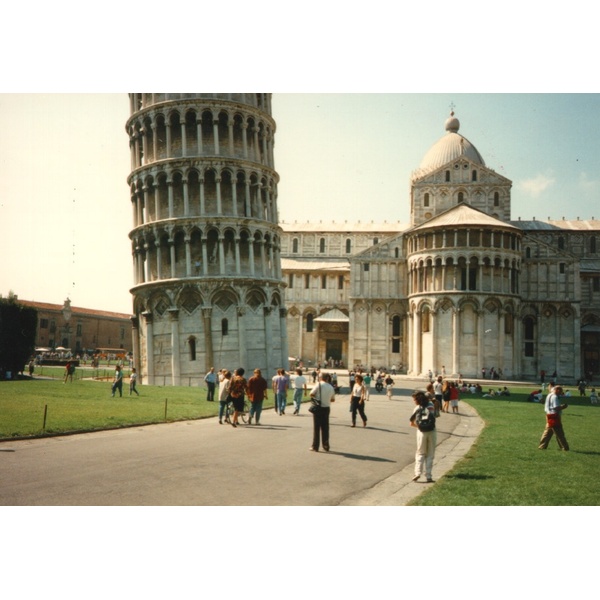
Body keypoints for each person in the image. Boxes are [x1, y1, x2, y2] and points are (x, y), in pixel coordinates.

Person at [409, 390, 436, 483]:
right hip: (431, 431)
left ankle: (417, 473)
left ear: (417, 400)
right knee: (430, 454)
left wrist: (420, 426)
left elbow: (411, 423)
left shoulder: (417, 408)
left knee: (420, 453)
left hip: (421, 432)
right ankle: (428, 475)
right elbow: (435, 417)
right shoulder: (431, 406)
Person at [309, 372, 336, 452]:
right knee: (325, 428)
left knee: (316, 428)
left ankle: (315, 446)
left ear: (320, 378)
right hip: (326, 408)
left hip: (318, 408)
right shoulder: (331, 387)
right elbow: (333, 399)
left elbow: (311, 394)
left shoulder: (319, 384)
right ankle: (326, 445)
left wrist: (318, 397)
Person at [538, 384, 569, 450]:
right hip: (554, 416)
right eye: (560, 391)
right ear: (557, 390)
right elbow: (556, 407)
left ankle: (542, 446)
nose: (561, 393)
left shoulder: (549, 395)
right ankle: (565, 447)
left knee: (547, 433)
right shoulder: (554, 397)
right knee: (560, 433)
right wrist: (563, 406)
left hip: (548, 415)